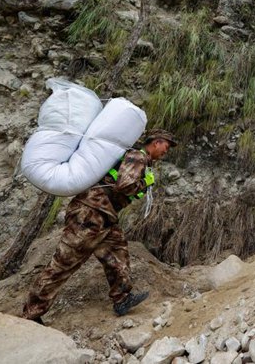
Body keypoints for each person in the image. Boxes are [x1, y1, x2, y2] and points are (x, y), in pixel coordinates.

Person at [21, 129, 175, 324]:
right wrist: (145, 182)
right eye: (166, 147)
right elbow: (124, 186)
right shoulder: (138, 157)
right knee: (64, 264)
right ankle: (31, 313)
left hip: (105, 216)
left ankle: (122, 299)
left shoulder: (141, 160)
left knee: (118, 253)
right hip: (89, 213)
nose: (166, 151)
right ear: (156, 143)